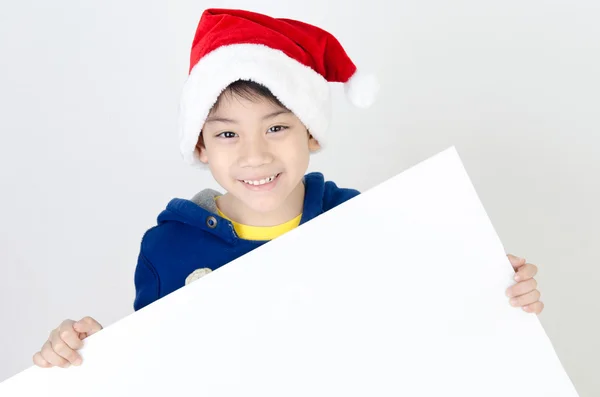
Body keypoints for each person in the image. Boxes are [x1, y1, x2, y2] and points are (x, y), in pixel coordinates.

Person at [32, 8, 544, 369]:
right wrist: (90, 355)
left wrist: (494, 285)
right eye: (227, 133)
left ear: (311, 133)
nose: (255, 154)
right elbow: (154, 368)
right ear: (201, 146)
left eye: (276, 127)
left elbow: (427, 319)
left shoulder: (363, 221)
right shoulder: (167, 248)